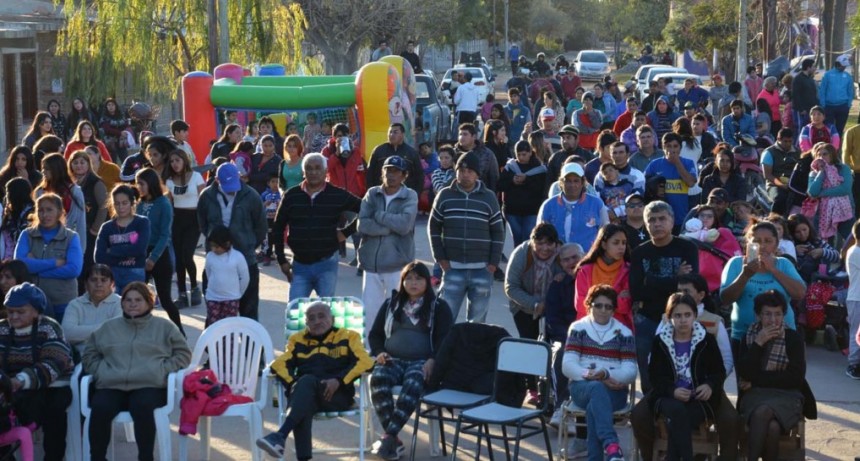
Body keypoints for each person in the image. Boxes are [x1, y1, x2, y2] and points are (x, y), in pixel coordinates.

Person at [82, 281, 191, 461]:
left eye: (138, 300)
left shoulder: (164, 327)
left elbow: (184, 353)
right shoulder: (108, 327)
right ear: (122, 303)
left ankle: (145, 457)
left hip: (149, 385)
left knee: (142, 406)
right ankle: (97, 458)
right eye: (128, 300)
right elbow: (89, 354)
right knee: (100, 407)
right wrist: (101, 371)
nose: (133, 304)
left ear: (149, 303)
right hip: (112, 384)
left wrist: (162, 370)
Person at [257, 301, 374, 459]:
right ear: (306, 323)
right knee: (305, 393)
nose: (317, 321)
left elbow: (366, 362)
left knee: (303, 393)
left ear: (332, 319)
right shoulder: (297, 340)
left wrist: (338, 380)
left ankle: (281, 434)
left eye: (321, 316)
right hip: (306, 393)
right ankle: (296, 452)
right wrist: (294, 384)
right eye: (311, 318)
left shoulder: (348, 337)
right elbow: (278, 365)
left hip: (337, 396)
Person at [368, 261, 453, 459]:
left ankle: (388, 437)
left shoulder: (438, 307)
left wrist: (433, 359)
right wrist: (379, 351)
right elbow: (375, 334)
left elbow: (446, 340)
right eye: (409, 278)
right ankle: (394, 441)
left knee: (415, 380)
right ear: (403, 281)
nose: (413, 283)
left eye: (418, 278)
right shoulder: (391, 304)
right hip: (392, 359)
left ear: (427, 281)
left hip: (422, 361)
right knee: (378, 379)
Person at [642, 293, 726, 461]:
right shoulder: (660, 341)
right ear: (669, 317)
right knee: (677, 411)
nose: (683, 320)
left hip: (699, 398)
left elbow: (719, 371)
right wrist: (672, 390)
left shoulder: (706, 339)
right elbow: (654, 376)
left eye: (687, 315)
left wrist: (709, 384)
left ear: (695, 315)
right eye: (677, 315)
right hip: (668, 396)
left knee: (679, 421)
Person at [737, 290, 817, 461]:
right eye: (767, 314)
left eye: (778, 314)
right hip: (755, 395)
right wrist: (758, 344)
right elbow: (744, 372)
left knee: (764, 412)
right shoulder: (749, 336)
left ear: (784, 315)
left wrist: (756, 382)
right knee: (772, 427)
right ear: (758, 315)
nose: (773, 320)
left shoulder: (792, 338)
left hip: (787, 395)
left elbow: (794, 378)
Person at [630, 200, 699, 392]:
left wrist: (651, 281)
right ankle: (650, 410)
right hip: (647, 319)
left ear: (672, 220)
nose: (657, 224)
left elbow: (690, 287)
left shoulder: (687, 248)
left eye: (662, 219)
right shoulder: (639, 253)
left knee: (680, 371)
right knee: (647, 372)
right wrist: (675, 279)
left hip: (680, 319)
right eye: (651, 220)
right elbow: (637, 292)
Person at [0, 282, 73, 461]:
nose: (14, 316)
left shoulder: (49, 327)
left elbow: (55, 363)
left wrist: (21, 380)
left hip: (51, 384)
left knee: (54, 410)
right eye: (11, 312)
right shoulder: (2, 329)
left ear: (36, 311)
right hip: (12, 387)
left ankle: (53, 457)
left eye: (21, 311)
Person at [562, 284, 636, 461]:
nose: (603, 310)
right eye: (598, 305)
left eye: (608, 306)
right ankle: (611, 444)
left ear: (613, 310)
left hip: (615, 392)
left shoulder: (624, 333)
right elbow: (567, 365)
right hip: (582, 388)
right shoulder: (578, 328)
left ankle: (597, 456)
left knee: (594, 406)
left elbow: (631, 371)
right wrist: (597, 376)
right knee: (596, 388)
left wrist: (606, 374)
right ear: (589, 305)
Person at [429, 152, 505, 323]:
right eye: (461, 171)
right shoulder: (445, 195)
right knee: (443, 320)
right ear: (456, 172)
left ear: (477, 174)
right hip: (452, 268)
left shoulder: (488, 197)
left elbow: (498, 231)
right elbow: (433, 226)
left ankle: (470, 351)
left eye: (470, 171)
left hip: (482, 269)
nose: (465, 175)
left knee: (476, 324)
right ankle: (442, 350)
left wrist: (493, 263)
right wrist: (440, 258)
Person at [273, 154, 361, 299]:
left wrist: (346, 232)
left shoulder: (337, 195)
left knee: (325, 313)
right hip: (300, 265)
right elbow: (278, 227)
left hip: (327, 263)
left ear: (326, 171)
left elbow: (365, 209)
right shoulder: (291, 196)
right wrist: (281, 259)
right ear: (303, 172)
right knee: (295, 314)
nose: (313, 172)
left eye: (318, 168)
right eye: (309, 169)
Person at [720, 221, 805, 357]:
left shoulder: (784, 264)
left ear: (776, 245)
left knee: (784, 378)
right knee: (746, 377)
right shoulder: (736, 264)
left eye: (768, 241)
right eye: (757, 241)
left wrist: (774, 270)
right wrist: (745, 275)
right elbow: (725, 299)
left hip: (782, 335)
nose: (762, 246)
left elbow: (800, 293)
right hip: (744, 336)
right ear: (748, 243)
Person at [198, 163, 267, 319]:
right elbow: (202, 223)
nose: (231, 189)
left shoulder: (251, 196)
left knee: (248, 312)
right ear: (217, 180)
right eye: (226, 185)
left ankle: (250, 343)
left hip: (246, 259)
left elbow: (261, 227)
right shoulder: (207, 196)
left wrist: (248, 245)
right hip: (216, 259)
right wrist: (215, 244)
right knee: (215, 315)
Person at [357, 156, 418, 325]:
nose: (391, 175)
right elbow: (362, 224)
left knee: (397, 313)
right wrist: (389, 227)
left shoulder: (409, 196)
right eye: (387, 170)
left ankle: (393, 349)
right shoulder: (372, 193)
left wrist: (379, 215)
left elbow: (404, 225)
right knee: (370, 314)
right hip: (371, 265)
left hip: (397, 265)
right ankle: (370, 350)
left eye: (396, 171)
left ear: (403, 175)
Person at [504, 223, 562, 402]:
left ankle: (551, 388)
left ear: (556, 244)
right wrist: (534, 304)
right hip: (523, 305)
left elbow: (574, 274)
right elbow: (510, 287)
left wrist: (563, 279)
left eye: (549, 243)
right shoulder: (522, 254)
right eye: (540, 243)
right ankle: (532, 388)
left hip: (554, 307)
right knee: (528, 344)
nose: (544, 248)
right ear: (532, 242)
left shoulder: (563, 255)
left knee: (552, 347)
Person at [15, 193, 83, 322]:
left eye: (49, 210)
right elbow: (20, 265)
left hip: (62, 303)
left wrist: (36, 269)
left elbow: (74, 269)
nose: (45, 215)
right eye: (40, 210)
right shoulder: (27, 235)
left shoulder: (71, 237)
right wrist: (55, 263)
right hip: (32, 303)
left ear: (60, 212)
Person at [134, 168, 183, 334]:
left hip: (159, 255)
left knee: (165, 299)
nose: (138, 187)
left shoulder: (163, 203)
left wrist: (153, 258)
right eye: (137, 183)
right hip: (141, 253)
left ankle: (180, 333)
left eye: (142, 183)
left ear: (151, 183)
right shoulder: (139, 204)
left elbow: (165, 235)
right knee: (137, 297)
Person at [165, 149, 205, 307]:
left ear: (184, 160)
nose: (175, 164)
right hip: (177, 220)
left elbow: (204, 199)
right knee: (179, 260)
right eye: (172, 161)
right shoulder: (169, 181)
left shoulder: (196, 177)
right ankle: (181, 293)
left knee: (187, 255)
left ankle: (195, 287)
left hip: (194, 220)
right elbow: (169, 203)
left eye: (177, 160)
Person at [573, 224, 633, 329]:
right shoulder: (585, 270)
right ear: (604, 245)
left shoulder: (629, 270)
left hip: (619, 330)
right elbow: (579, 304)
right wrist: (615, 299)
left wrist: (594, 302)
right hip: (588, 329)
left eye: (624, 243)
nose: (621, 247)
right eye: (616, 243)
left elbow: (625, 305)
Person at [538, 163, 609, 250]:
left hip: (587, 259)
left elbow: (606, 233)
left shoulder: (597, 204)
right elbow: (540, 236)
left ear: (583, 182)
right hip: (556, 258)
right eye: (568, 181)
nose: (572, 185)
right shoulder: (548, 206)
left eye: (576, 181)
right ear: (561, 183)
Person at [95, 184, 150, 293]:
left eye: (124, 203)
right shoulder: (106, 227)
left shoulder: (142, 223)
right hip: (111, 274)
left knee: (132, 307)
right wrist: (128, 250)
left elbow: (139, 249)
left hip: (135, 272)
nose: (121, 207)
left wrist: (112, 250)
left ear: (132, 202)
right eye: (117, 204)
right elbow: (99, 257)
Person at [68, 149, 108, 293]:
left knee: (88, 265)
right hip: (75, 231)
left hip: (91, 232)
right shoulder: (70, 183)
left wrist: (95, 229)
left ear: (88, 164)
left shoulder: (96, 183)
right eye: (75, 162)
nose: (79, 166)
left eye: (82, 162)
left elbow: (104, 207)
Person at [62, 264, 121, 357]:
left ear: (112, 283)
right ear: (86, 284)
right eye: (94, 280)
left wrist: (81, 333)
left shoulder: (122, 303)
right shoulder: (75, 304)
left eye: (103, 280)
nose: (99, 284)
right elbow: (67, 333)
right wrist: (106, 327)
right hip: (80, 359)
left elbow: (119, 333)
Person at [497, 140, 548, 247]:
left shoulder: (539, 168)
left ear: (530, 153)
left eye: (524, 154)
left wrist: (526, 180)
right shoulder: (510, 167)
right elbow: (500, 185)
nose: (521, 157)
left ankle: (527, 262)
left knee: (527, 238)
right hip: (512, 211)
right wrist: (512, 181)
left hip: (531, 211)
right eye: (518, 155)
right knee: (517, 238)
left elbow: (540, 188)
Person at [35, 153, 88, 252]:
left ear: (56, 170)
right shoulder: (40, 191)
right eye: (42, 168)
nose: (43, 172)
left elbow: (80, 221)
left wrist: (81, 249)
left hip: (67, 241)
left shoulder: (74, 191)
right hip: (44, 241)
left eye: (47, 169)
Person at [644, 133, 698, 229]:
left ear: (680, 148)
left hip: (680, 216)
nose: (672, 150)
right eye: (668, 146)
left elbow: (690, 183)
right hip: (660, 218)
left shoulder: (688, 163)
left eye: (675, 146)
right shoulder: (654, 164)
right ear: (663, 147)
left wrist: (677, 162)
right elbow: (645, 185)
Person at [202, 225, 249, 326]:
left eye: (217, 246)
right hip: (213, 298)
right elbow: (208, 274)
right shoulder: (210, 257)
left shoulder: (237, 257)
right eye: (212, 246)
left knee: (229, 328)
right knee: (214, 328)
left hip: (231, 299)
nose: (214, 249)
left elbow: (245, 278)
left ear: (226, 244)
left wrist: (238, 294)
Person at [807, 142, 855, 239]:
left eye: (825, 154)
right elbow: (812, 192)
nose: (821, 157)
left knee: (850, 239)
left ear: (832, 155)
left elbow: (845, 189)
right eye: (818, 155)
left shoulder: (843, 168)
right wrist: (821, 173)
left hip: (844, 210)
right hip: (823, 213)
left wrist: (822, 193)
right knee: (827, 243)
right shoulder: (814, 174)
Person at [366, 124, 424, 194]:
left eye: (395, 132)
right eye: (390, 132)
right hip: (381, 194)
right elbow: (369, 173)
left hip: (404, 196)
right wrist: (372, 193)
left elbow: (420, 176)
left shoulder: (412, 153)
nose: (391, 135)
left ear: (402, 134)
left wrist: (416, 195)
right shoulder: (379, 151)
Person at [787, 213, 840, 283]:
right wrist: (793, 251)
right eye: (797, 232)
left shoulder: (817, 241)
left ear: (809, 227)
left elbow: (837, 256)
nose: (802, 234)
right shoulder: (789, 245)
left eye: (804, 230)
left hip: (819, 281)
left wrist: (822, 252)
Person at [761, 128, 800, 214]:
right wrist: (781, 185)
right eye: (785, 141)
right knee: (780, 199)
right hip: (774, 185)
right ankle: (774, 220)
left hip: (793, 185)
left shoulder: (798, 152)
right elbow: (767, 175)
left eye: (790, 141)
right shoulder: (769, 152)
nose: (788, 144)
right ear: (778, 139)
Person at [453, 123, 499, 191]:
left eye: (465, 134)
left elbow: (494, 178)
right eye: (460, 134)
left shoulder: (486, 154)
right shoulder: (452, 153)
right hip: (456, 193)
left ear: (474, 136)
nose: (461, 137)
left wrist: (490, 196)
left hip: (480, 194)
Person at [819, 54, 854, 136]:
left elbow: (850, 91)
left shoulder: (848, 76)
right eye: (843, 65)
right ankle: (828, 146)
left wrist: (848, 104)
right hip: (829, 106)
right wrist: (823, 104)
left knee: (840, 129)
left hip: (843, 106)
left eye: (845, 66)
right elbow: (822, 90)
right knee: (828, 128)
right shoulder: (828, 74)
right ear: (838, 64)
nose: (844, 67)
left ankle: (837, 146)